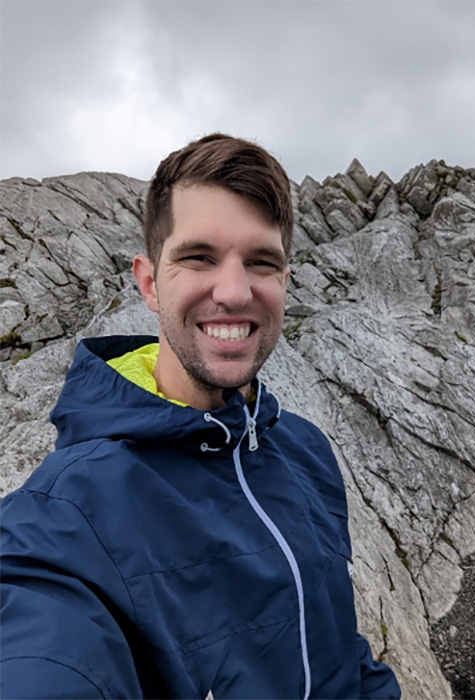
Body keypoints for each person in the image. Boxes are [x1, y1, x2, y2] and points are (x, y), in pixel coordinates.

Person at [0, 133, 401, 699]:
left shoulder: (304, 449)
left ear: (284, 282)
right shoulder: (68, 511)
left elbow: (337, 646)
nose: (234, 292)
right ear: (149, 283)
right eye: (198, 258)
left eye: (261, 262)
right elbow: (42, 656)